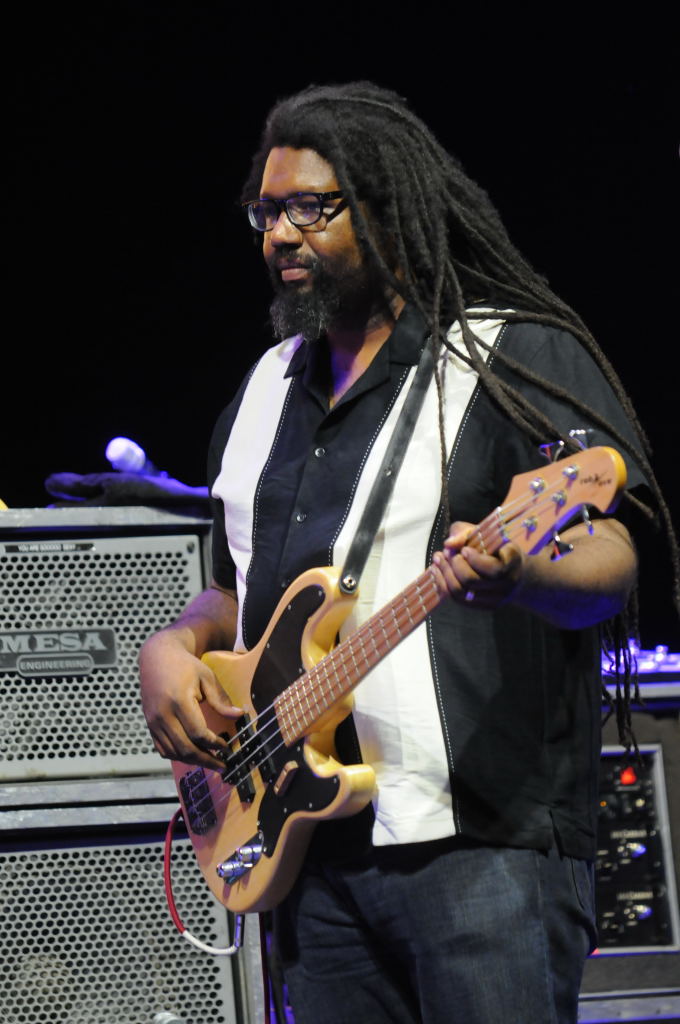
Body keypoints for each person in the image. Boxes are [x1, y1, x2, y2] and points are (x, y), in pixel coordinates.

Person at [139, 83, 674, 1024]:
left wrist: (524, 574)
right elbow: (234, 589)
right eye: (267, 212)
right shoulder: (262, 391)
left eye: (312, 208)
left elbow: (612, 560)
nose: (280, 235)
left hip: (483, 842)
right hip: (309, 846)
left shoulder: (510, 358)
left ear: (387, 210)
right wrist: (173, 646)